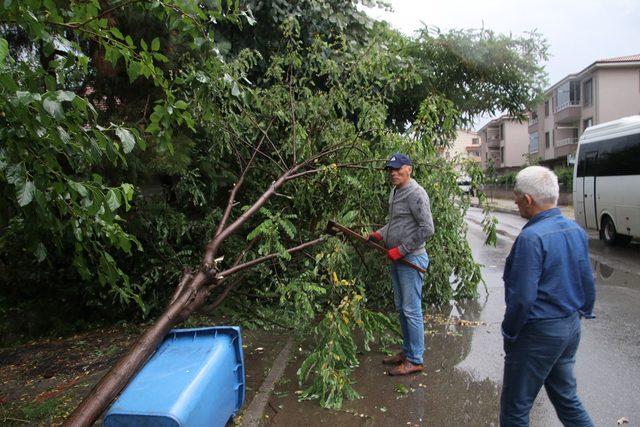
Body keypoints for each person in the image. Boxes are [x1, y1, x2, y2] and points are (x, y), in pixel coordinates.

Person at [500, 166, 595, 426]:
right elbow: (588, 280)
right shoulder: (575, 230)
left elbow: (522, 298)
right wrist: (581, 313)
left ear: (528, 200)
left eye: (517, 198)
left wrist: (510, 332)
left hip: (538, 332)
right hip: (569, 327)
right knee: (567, 399)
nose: (516, 203)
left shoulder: (531, 238)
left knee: (515, 409)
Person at [368, 152, 434, 376]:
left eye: (397, 169)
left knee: (411, 310)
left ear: (409, 169)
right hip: (396, 257)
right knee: (401, 308)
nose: (393, 173)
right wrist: (380, 234)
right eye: (390, 170)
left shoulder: (416, 194)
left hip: (411, 259)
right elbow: (395, 223)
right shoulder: (396, 191)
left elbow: (427, 229)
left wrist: (403, 250)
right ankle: (407, 352)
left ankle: (415, 359)